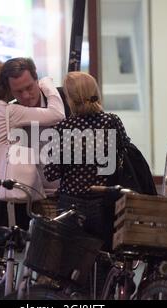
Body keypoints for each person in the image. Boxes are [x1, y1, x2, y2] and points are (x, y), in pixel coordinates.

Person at [0, 61, 65, 299]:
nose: (25, 95)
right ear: (6, 87)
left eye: (30, 87)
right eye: (17, 90)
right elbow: (56, 115)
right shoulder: (11, 111)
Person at [44, 71, 132, 295]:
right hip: (104, 203)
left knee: (73, 265)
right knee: (104, 260)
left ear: (70, 100)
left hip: (70, 205)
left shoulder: (63, 128)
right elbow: (124, 154)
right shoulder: (111, 122)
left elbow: (52, 172)